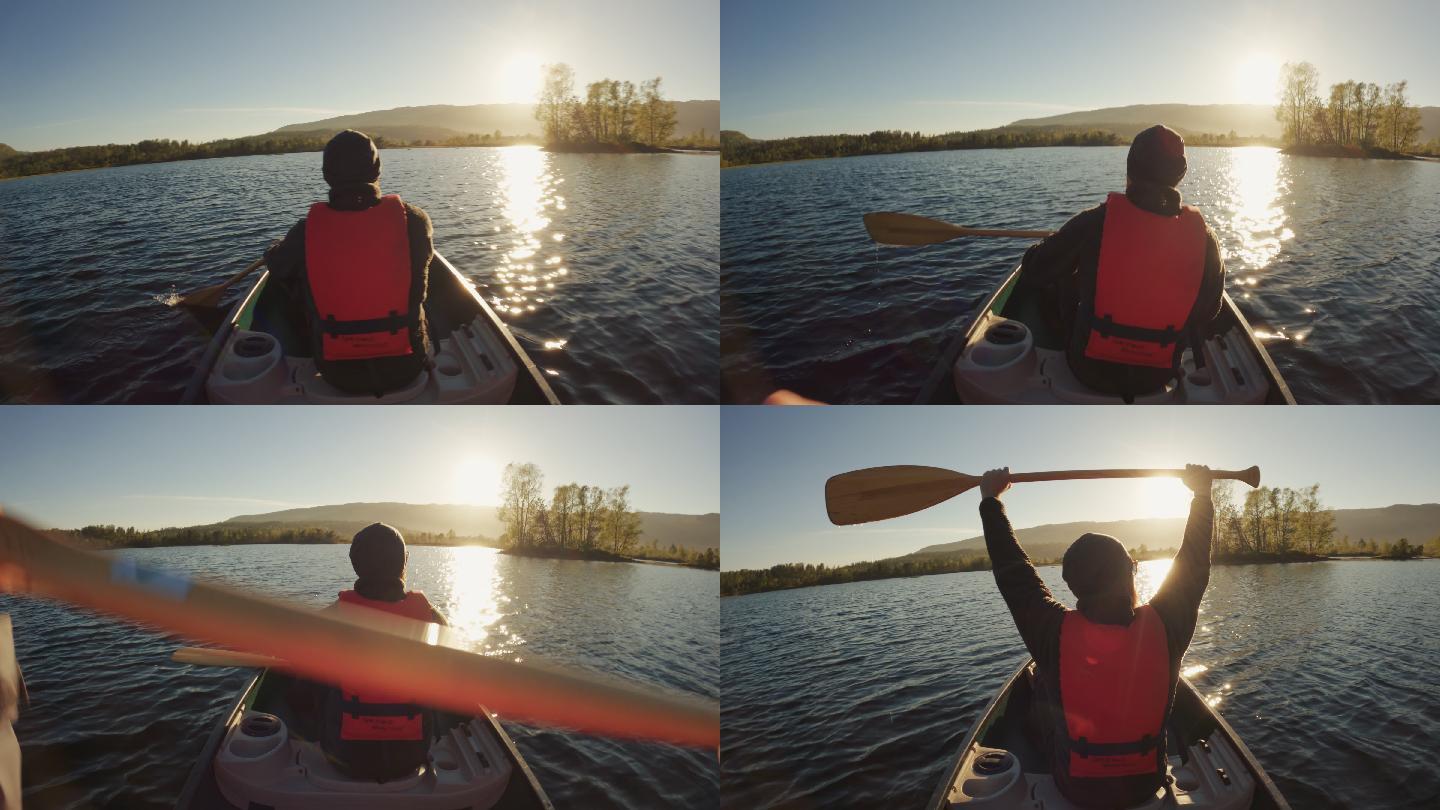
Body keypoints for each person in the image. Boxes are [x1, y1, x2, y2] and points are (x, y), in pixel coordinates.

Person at [978, 464, 1213, 808]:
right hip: (1146, 784)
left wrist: (990, 501)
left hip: (1077, 788)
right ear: (1131, 571)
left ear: (1073, 586)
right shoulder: (1166, 623)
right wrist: (1202, 495)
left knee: (1042, 679)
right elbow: (1194, 564)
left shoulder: (1052, 632)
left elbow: (1013, 572)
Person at [1015, 125, 1226, 401]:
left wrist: (1059, 243)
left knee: (1063, 274)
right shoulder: (1205, 238)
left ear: (1131, 168)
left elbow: (1034, 270)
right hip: (1159, 374)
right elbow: (1208, 312)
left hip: (1089, 369)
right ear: (1179, 174)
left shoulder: (1094, 222)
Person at [263, 130, 435, 396]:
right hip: (407, 365)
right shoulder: (414, 220)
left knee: (286, 286)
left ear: (327, 175)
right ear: (377, 169)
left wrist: (276, 248)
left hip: (337, 374)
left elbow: (277, 266)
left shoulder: (305, 231)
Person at [311, 523, 448, 780]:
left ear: (354, 563)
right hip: (410, 758)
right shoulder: (432, 618)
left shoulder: (332, 617)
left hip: (344, 758)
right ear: (405, 561)